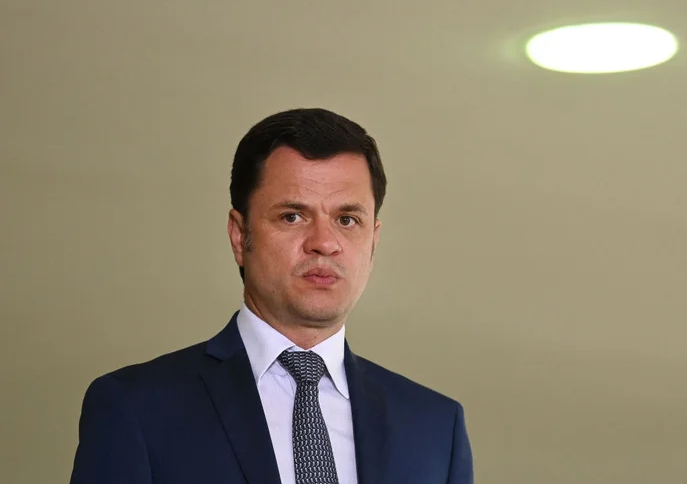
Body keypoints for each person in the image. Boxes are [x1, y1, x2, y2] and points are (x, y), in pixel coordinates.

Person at [69, 108, 473, 484]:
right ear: (238, 236)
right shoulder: (136, 408)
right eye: (292, 216)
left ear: (373, 242)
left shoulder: (436, 426)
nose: (324, 243)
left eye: (347, 219)